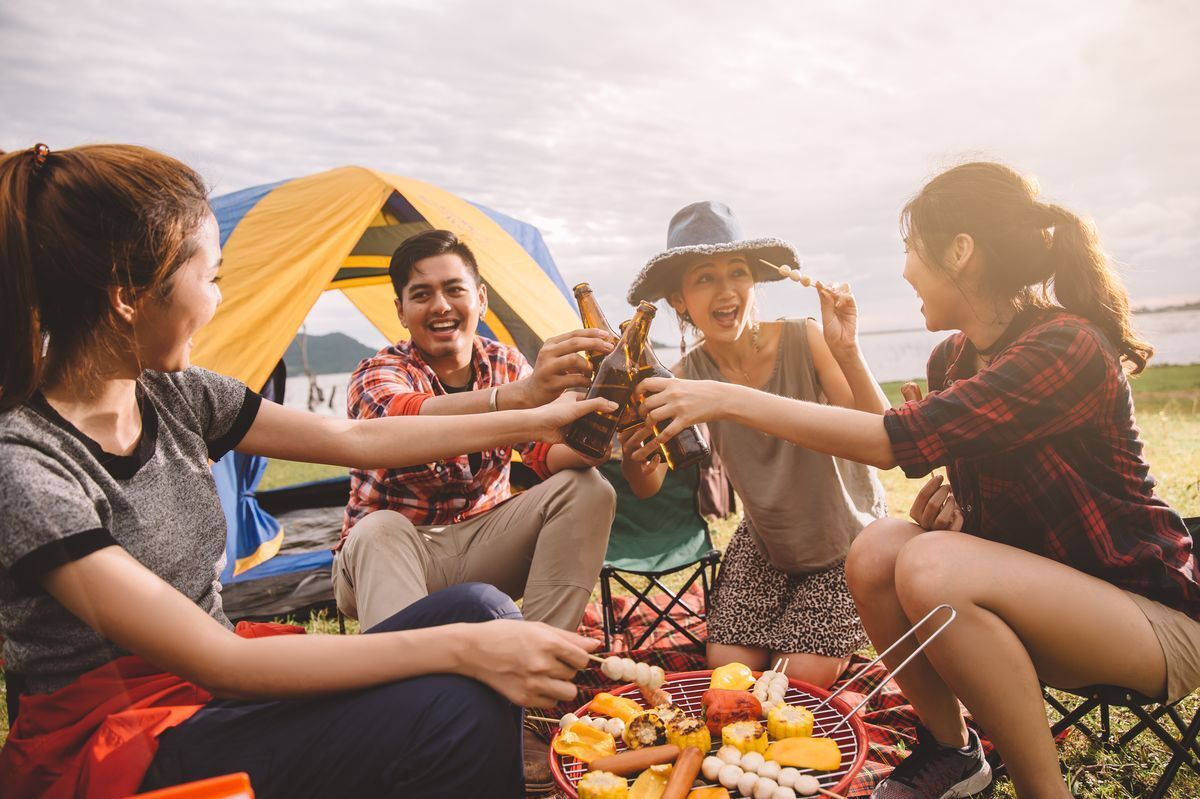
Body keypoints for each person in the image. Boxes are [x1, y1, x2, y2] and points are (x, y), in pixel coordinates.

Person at [0, 143, 615, 799]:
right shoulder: (28, 465)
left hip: (208, 689)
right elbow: (222, 660)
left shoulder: (177, 394)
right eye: (211, 277)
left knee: (484, 610)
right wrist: (463, 649)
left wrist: (535, 418)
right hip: (119, 735)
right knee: (453, 696)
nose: (218, 299)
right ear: (129, 297)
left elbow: (356, 438)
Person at [636, 163, 1200, 799]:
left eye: (910, 248)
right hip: (1043, 604)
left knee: (929, 563)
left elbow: (890, 442)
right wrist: (956, 516)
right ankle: (953, 751)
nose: (904, 271)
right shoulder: (951, 358)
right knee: (881, 547)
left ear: (960, 251)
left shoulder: (1065, 347)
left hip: (1144, 617)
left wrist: (726, 398)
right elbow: (956, 482)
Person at [621, 201, 889, 689]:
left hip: (846, 541)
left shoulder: (806, 338)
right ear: (679, 300)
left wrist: (848, 350)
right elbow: (648, 483)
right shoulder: (682, 377)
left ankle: (845, 628)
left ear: (754, 282)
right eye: (705, 278)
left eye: (737, 273)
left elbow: (881, 431)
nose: (725, 291)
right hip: (767, 542)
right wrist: (632, 439)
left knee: (792, 681)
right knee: (727, 673)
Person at [334, 229, 618, 634]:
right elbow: (400, 416)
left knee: (588, 487)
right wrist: (519, 396)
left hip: (484, 546)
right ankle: (405, 673)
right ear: (401, 311)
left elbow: (546, 452)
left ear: (481, 299)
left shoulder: (505, 363)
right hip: (393, 558)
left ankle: (537, 656)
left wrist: (599, 433)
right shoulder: (378, 372)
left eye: (454, 290)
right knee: (380, 528)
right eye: (422, 295)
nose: (441, 306)